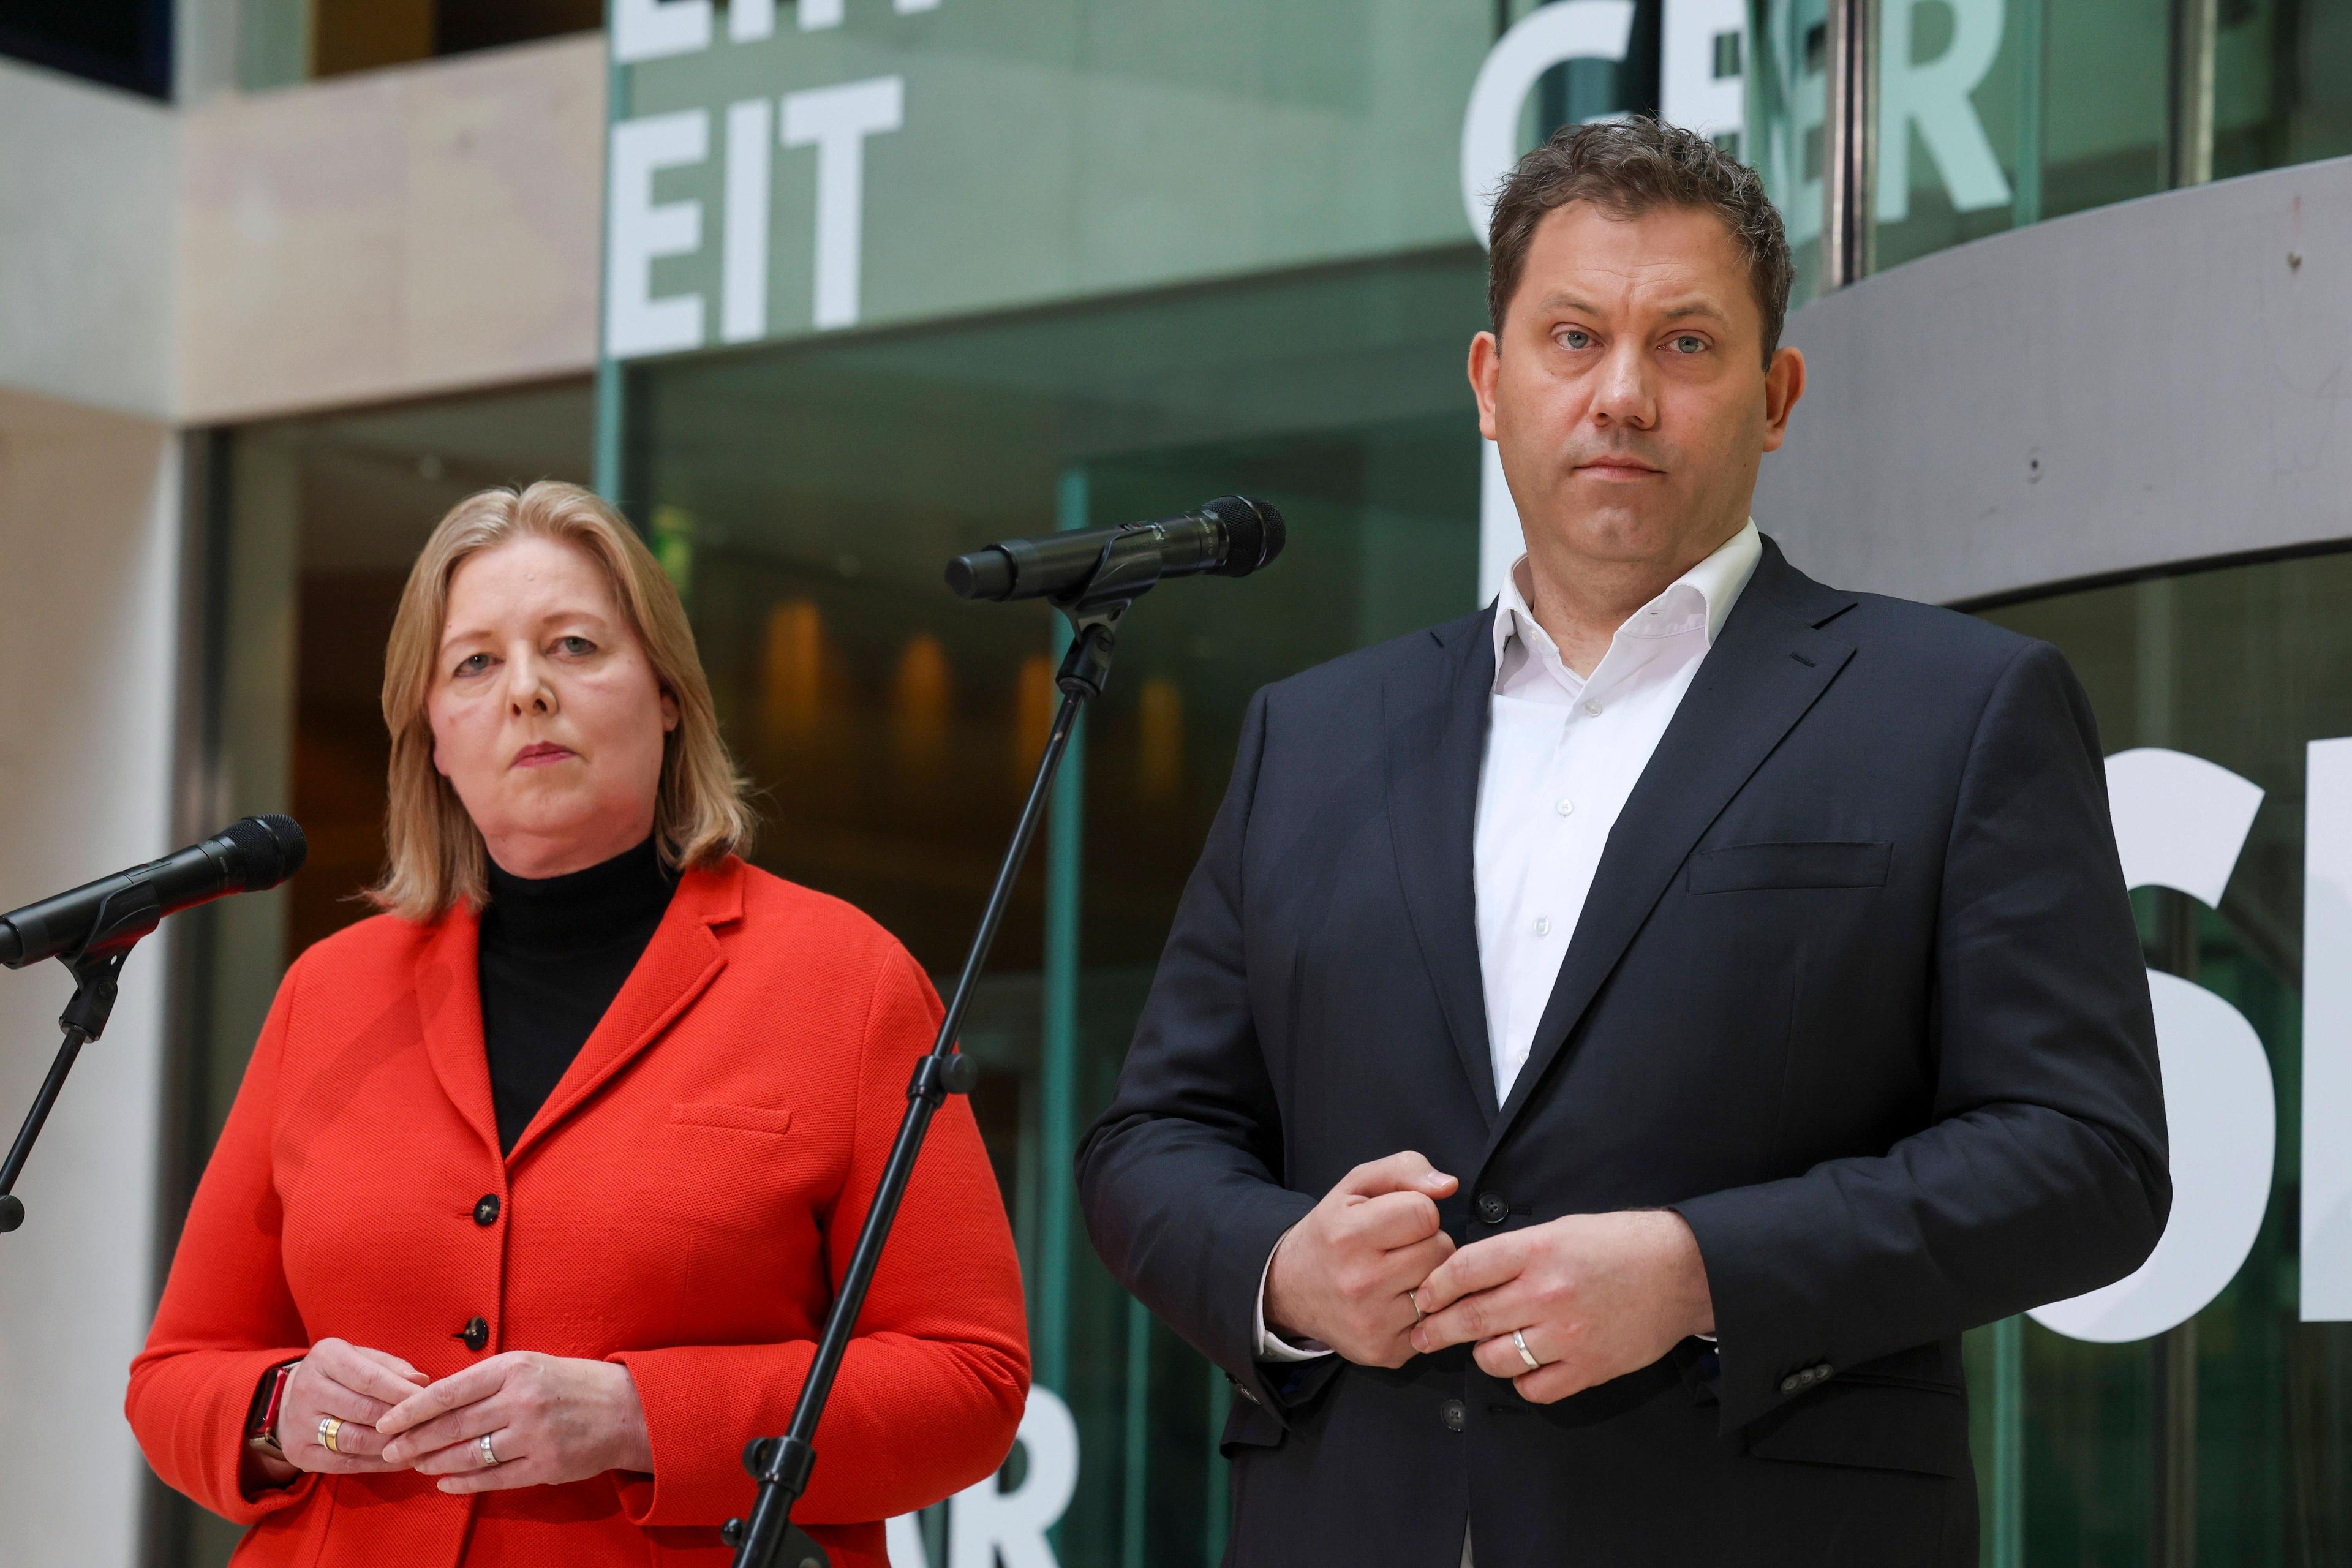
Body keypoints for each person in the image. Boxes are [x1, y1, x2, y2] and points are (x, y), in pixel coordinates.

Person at [1076, 119, 2168, 1566]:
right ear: (1491, 381)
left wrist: (1704, 1270)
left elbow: (2087, 1158)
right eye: (1574, 337)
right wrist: (1283, 1267)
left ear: (1776, 395)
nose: (1624, 396)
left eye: (1689, 346)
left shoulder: (1959, 711)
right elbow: (1154, 1138)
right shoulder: (1314, 734)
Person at [128, 481, 1028, 1568]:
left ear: (667, 695)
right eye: (475, 664)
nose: (526, 695)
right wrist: (285, 1411)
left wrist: (641, 1415)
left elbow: (968, 1382)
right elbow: (177, 1376)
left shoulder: (849, 980)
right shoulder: (329, 993)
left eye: (573, 646)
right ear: (435, 739)